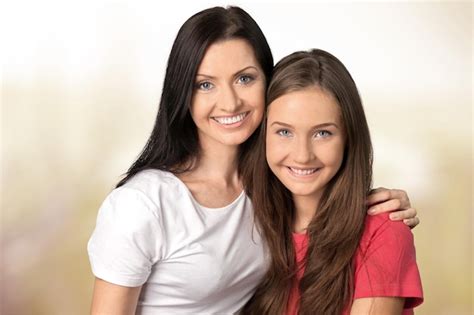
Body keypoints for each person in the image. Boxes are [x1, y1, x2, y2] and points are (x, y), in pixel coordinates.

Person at [87, 6, 420, 314]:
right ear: (182, 95)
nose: (230, 102)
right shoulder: (142, 204)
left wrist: (375, 207)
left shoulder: (268, 189)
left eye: (245, 78)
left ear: (269, 85)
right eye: (205, 84)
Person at [242, 49, 423, 315]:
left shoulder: (383, 232)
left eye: (323, 133)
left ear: (349, 138)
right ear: (263, 136)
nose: (302, 155)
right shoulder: (246, 224)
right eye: (284, 131)